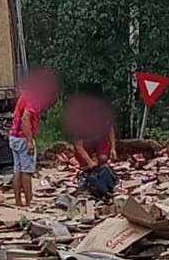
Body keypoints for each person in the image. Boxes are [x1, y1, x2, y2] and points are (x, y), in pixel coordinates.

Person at [9, 68, 58, 209]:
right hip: (23, 138)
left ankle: (18, 201)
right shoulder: (35, 99)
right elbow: (25, 119)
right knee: (27, 171)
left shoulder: (26, 94)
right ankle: (29, 202)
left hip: (14, 137)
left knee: (17, 170)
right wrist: (30, 141)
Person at [67, 88, 119, 199]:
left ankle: (103, 177)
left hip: (99, 139)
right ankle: (86, 177)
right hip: (85, 143)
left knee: (103, 158)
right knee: (86, 164)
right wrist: (89, 161)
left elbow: (110, 129)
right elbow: (78, 146)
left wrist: (113, 148)